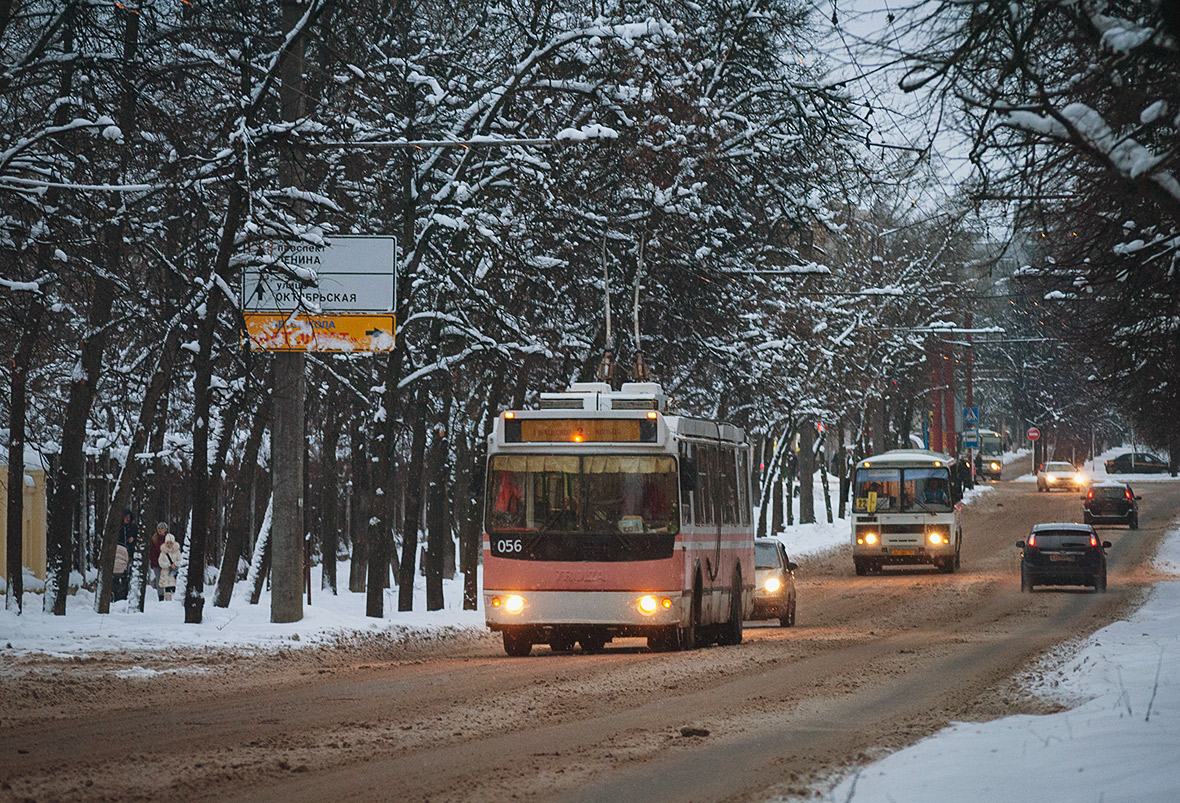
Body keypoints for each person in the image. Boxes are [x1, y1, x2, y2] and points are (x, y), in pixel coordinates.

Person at [113, 508, 138, 601]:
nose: (127, 519)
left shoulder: (133, 528)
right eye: (126, 517)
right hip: (118, 553)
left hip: (129, 553)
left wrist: (133, 539)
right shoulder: (118, 527)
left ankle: (125, 592)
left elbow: (137, 539)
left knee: (127, 574)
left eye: (129, 517)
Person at [158, 533, 181, 601]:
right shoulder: (163, 553)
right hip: (165, 574)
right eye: (167, 543)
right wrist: (168, 565)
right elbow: (160, 562)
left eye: (171, 543)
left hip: (174, 573)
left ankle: (174, 601)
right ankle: (168, 601)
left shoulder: (177, 552)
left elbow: (181, 561)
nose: (169, 545)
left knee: (174, 587)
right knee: (167, 588)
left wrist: (175, 564)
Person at [150, 523, 168, 602]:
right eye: (159, 528)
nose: (160, 530)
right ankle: (160, 597)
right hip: (156, 563)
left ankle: (168, 596)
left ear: (165, 530)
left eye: (162, 528)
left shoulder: (168, 539)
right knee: (159, 580)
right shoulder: (154, 539)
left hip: (166, 563)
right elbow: (152, 552)